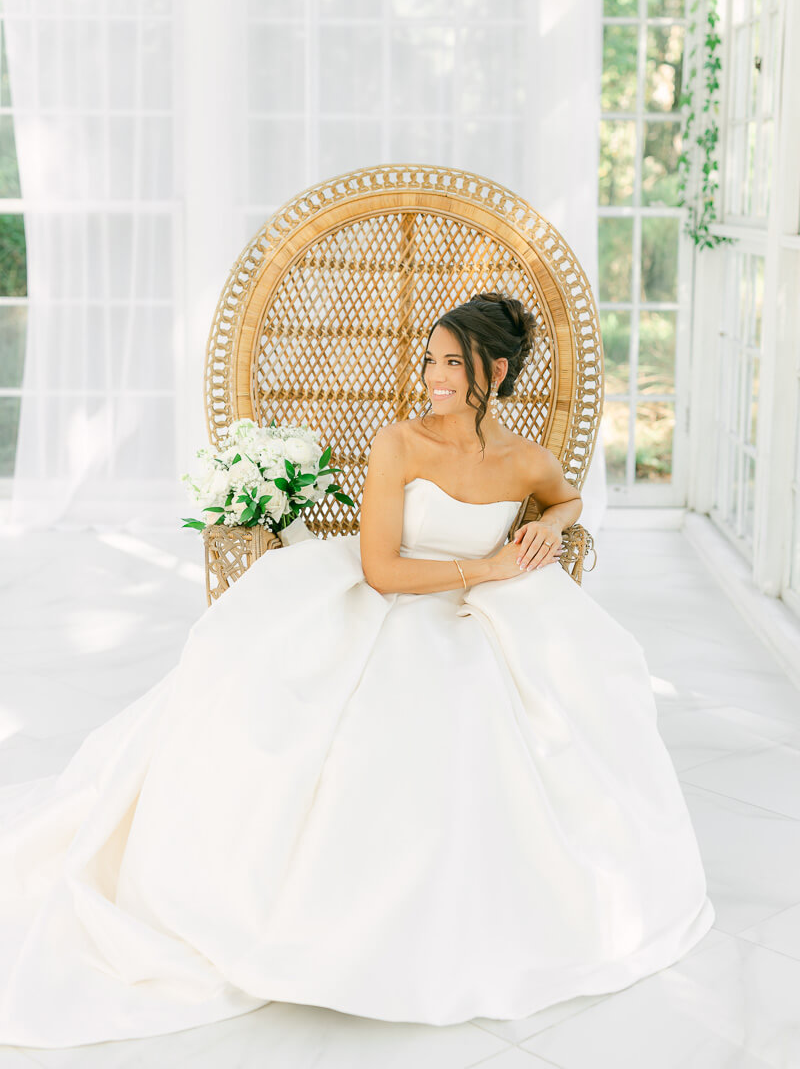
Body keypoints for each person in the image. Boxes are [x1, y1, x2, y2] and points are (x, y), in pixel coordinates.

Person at [0, 292, 715, 1049]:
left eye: (451, 363)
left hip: (482, 611)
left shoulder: (527, 460)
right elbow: (379, 570)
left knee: (542, 702)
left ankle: (493, 915)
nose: (434, 377)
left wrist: (548, 523)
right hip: (393, 598)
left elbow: (568, 500)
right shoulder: (399, 442)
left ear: (495, 370)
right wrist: (488, 564)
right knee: (350, 715)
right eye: (432, 360)